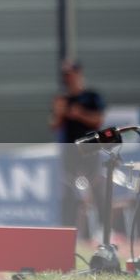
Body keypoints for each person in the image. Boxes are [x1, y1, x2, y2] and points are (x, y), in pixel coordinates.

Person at [50, 58, 107, 233]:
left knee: (96, 186)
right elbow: (54, 125)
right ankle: (68, 229)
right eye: (65, 75)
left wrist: (79, 114)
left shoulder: (91, 97)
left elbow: (98, 121)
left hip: (90, 148)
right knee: (69, 189)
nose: (68, 78)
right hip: (70, 150)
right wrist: (60, 112)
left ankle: (104, 229)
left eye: (71, 74)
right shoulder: (62, 99)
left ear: (78, 74)